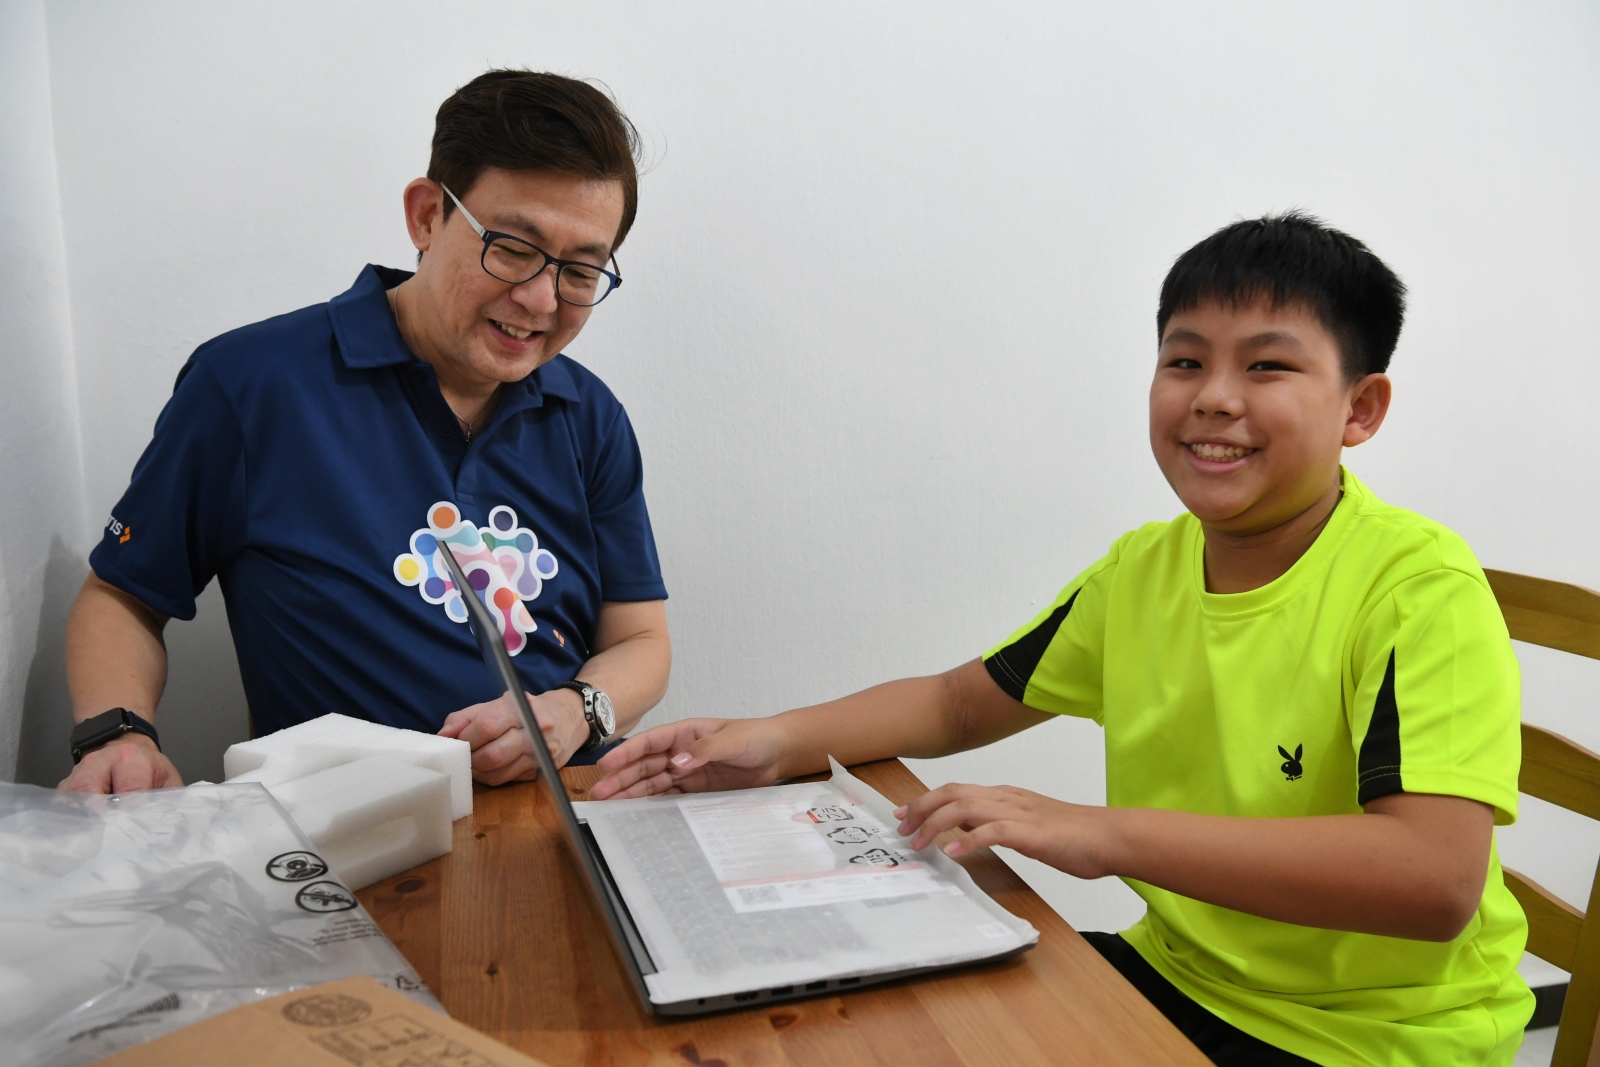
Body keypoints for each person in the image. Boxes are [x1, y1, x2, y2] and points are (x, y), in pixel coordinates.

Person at [592, 214, 1533, 1066]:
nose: (1213, 398)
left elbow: (1433, 877)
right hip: (1182, 979)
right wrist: (778, 738)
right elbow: (965, 700)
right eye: (1186, 361)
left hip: (1376, 1042)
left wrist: (1103, 834)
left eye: (1267, 367)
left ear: (1361, 409)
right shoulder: (1144, 570)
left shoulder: (1417, 589)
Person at [61, 70, 670, 794]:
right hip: (357, 834)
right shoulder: (254, 385)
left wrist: (577, 710)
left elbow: (641, 639)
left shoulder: (589, 416)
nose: (540, 299)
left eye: (580, 270)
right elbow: (122, 594)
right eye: (511, 247)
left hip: (569, 808)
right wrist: (118, 732)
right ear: (426, 216)